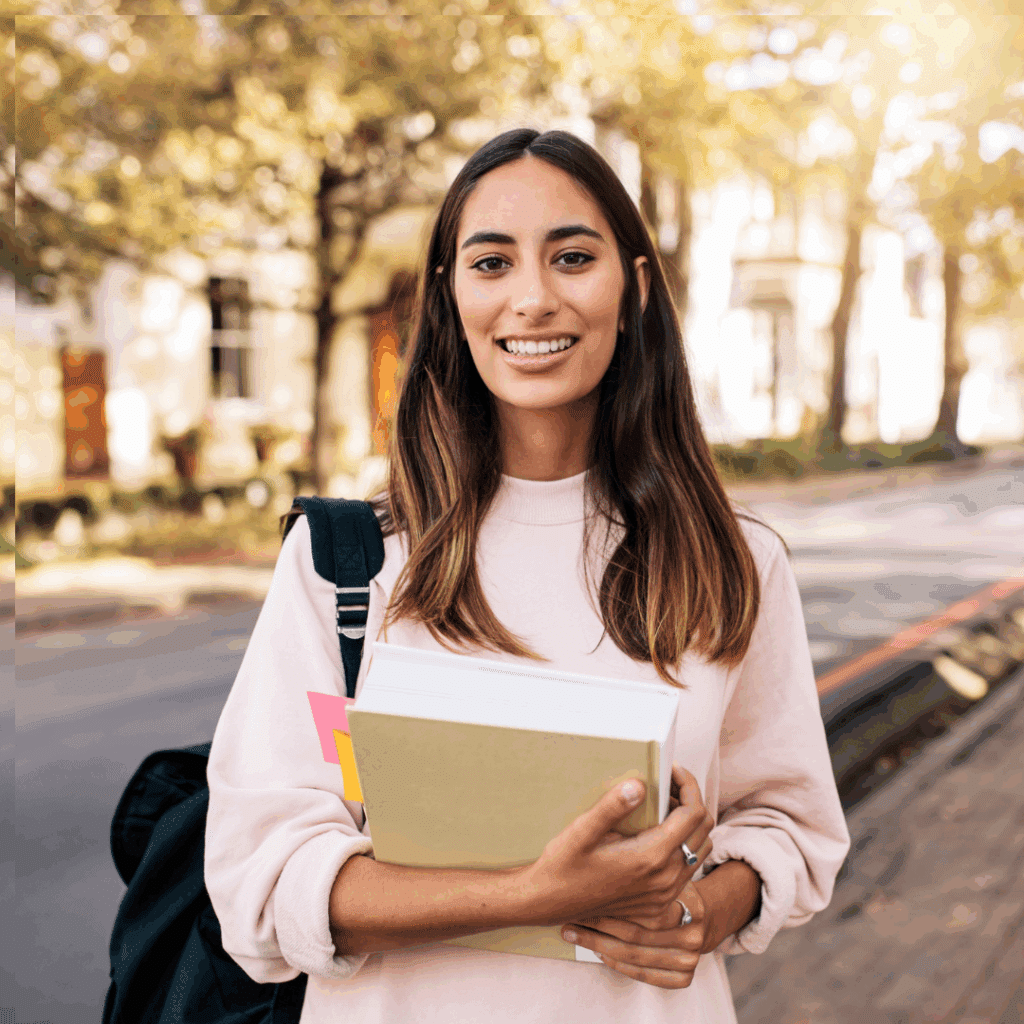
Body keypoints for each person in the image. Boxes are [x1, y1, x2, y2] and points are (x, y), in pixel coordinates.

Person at [205, 128, 850, 1024]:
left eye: (573, 258)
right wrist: (532, 894)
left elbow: (787, 825)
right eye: (493, 262)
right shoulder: (345, 565)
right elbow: (260, 881)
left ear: (632, 290)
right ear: (451, 295)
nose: (533, 299)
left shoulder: (733, 562)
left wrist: (700, 912)